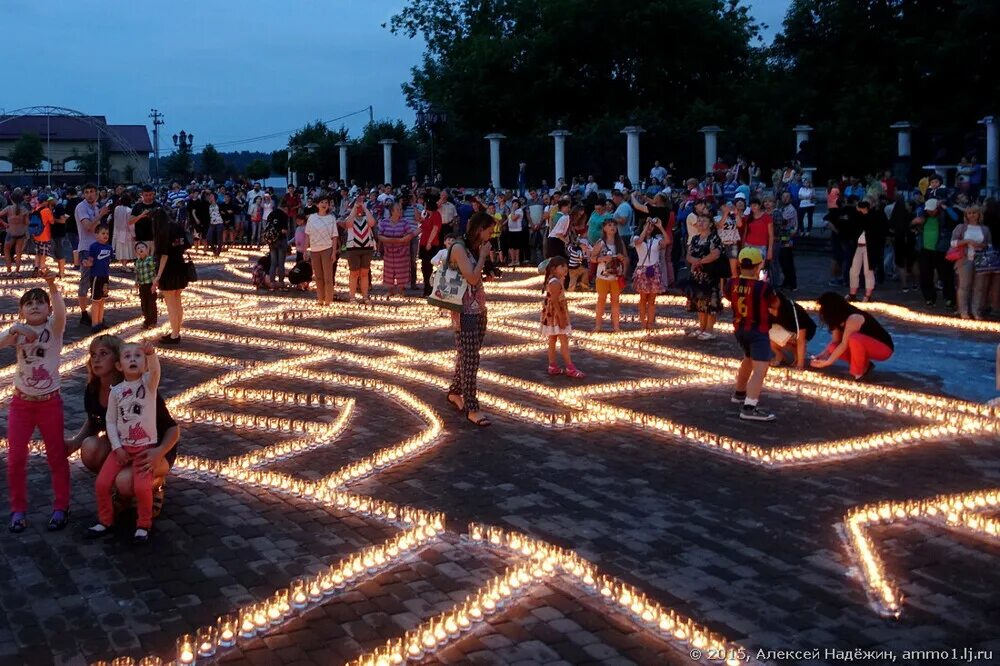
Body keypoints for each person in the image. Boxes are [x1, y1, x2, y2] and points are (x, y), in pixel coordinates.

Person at [66, 335, 179, 528]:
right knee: (90, 448)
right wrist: (74, 443)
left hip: (154, 450)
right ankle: (120, 494)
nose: (96, 359)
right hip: (124, 448)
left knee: (125, 482)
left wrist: (158, 453)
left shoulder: (143, 390)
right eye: (93, 354)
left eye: (103, 354)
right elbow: (96, 421)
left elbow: (173, 429)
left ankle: (156, 484)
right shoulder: (95, 390)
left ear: (117, 361)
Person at [2, 273, 71, 532]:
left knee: (56, 456)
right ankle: (18, 510)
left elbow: (62, 312)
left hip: (49, 403)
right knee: (16, 458)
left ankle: (61, 506)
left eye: (39, 302)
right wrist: (13, 330)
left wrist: (53, 286)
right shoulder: (18, 333)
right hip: (21, 404)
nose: (34, 306)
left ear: (48, 309)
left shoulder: (54, 329)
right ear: (21, 310)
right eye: (29, 303)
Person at [88, 343, 162, 544]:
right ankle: (105, 520)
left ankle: (143, 524)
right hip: (122, 448)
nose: (132, 359)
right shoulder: (116, 391)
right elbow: (111, 421)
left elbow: (156, 371)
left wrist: (152, 354)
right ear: (119, 366)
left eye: (138, 356)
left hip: (144, 448)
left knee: (141, 487)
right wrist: (117, 447)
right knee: (102, 483)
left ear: (144, 365)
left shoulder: (148, 386)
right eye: (127, 356)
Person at [445, 212, 494, 427]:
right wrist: (483, 256)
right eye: (489, 231)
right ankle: (472, 407)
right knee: (471, 358)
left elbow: (476, 278)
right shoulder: (458, 248)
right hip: (464, 310)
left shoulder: (473, 247)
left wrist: (486, 269)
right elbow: (471, 277)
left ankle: (455, 391)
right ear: (479, 229)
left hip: (478, 307)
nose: (491, 235)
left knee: (468, 354)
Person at [724, 248, 778, 421]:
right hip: (758, 330)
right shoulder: (763, 287)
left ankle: (740, 393)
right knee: (760, 369)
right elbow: (775, 304)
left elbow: (728, 297)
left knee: (748, 358)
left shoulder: (730, 283)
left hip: (740, 328)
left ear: (740, 264)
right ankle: (749, 407)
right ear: (758, 266)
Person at [811, 292, 894, 380]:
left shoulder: (854, 317)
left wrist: (828, 362)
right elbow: (835, 341)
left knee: (854, 339)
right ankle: (865, 365)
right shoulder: (835, 319)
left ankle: (858, 373)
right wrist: (822, 355)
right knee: (833, 347)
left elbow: (844, 344)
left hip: (883, 348)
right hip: (863, 345)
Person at [540, 257, 585, 377]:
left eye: (566, 266)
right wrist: (561, 318)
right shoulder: (555, 282)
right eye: (562, 266)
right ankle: (570, 367)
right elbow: (554, 301)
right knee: (563, 340)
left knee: (553, 339)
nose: (565, 268)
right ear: (554, 269)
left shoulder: (556, 280)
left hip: (552, 314)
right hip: (555, 314)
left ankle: (552, 365)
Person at [152, 209, 191, 345]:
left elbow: (164, 255)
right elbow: (186, 245)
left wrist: (158, 276)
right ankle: (176, 331)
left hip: (169, 270)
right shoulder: (177, 227)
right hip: (180, 266)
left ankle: (174, 335)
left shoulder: (163, 231)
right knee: (177, 301)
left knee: (171, 305)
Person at [76, 184, 113, 327]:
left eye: (92, 192)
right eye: (86, 192)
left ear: (96, 193)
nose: (89, 194)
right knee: (85, 280)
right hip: (86, 248)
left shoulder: (96, 207)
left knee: (98, 282)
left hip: (98, 248)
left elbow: (98, 227)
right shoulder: (81, 207)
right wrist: (101, 214)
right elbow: (88, 227)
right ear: (83, 194)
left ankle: (97, 316)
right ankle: (84, 314)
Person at [950, 205, 995, 319]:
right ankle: (963, 311)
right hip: (965, 259)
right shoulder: (961, 227)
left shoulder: (985, 229)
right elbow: (953, 243)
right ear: (966, 215)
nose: (972, 215)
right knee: (964, 286)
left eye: (974, 213)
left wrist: (981, 245)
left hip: (981, 260)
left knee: (979, 287)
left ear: (979, 214)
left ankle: (976, 311)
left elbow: (989, 245)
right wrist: (967, 241)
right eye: (969, 213)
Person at [912, 198, 956, 307]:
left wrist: (944, 207)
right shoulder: (923, 216)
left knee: (946, 275)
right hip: (925, 250)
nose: (930, 212)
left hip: (941, 250)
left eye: (932, 210)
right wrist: (913, 222)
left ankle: (949, 298)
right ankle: (929, 298)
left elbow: (955, 218)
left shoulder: (943, 217)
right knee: (925, 275)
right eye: (928, 210)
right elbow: (912, 225)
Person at [686, 215, 724, 340]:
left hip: (710, 275)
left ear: (711, 224)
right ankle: (701, 327)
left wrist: (699, 262)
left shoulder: (714, 238)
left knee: (710, 302)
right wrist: (695, 262)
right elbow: (688, 255)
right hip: (697, 275)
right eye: (700, 221)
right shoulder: (695, 238)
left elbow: (715, 254)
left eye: (704, 221)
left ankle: (709, 330)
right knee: (699, 301)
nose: (701, 223)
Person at [591, 218, 627, 332]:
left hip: (616, 277)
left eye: (614, 225)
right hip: (602, 276)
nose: (613, 228)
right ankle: (598, 326)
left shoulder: (619, 242)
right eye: (610, 225)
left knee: (615, 301)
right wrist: (603, 259)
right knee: (601, 300)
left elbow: (626, 259)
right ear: (604, 228)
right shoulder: (600, 242)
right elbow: (592, 258)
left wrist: (622, 258)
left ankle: (616, 326)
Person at [341, 195, 378, 304]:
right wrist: (354, 208)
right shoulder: (349, 218)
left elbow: (372, 223)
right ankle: (352, 297)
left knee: (364, 273)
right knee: (354, 273)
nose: (359, 209)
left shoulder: (367, 218)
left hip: (367, 247)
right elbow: (348, 224)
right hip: (353, 248)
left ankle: (365, 296)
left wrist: (365, 208)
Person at [632, 216, 667, 330]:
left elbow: (667, 242)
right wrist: (646, 226)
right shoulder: (636, 237)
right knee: (643, 298)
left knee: (652, 299)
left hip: (654, 269)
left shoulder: (656, 240)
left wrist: (660, 227)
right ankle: (642, 322)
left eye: (652, 226)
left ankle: (650, 322)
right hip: (642, 269)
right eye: (647, 225)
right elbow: (639, 241)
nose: (650, 228)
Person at [768, 291, 816, 369]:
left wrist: (800, 365)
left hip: (803, 332)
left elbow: (801, 339)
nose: (770, 311)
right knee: (763, 333)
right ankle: (780, 354)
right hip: (784, 329)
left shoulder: (793, 311)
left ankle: (797, 354)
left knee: (770, 334)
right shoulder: (768, 308)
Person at [305, 194, 338, 305]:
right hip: (314, 250)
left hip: (327, 249)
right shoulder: (312, 218)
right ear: (317, 204)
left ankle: (328, 299)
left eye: (326, 203)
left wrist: (333, 252)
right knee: (318, 276)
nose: (324, 205)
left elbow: (334, 236)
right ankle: (320, 298)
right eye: (322, 202)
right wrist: (305, 250)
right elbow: (307, 234)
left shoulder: (331, 218)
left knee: (328, 276)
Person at [379, 201, 417, 298]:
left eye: (400, 209)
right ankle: (390, 290)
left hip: (402, 252)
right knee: (389, 271)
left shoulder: (405, 222)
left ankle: (401, 290)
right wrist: (388, 240)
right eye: (397, 209)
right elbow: (379, 235)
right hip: (389, 251)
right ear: (392, 211)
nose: (400, 211)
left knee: (402, 271)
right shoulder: (384, 222)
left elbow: (410, 234)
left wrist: (402, 240)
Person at [85, 225, 114, 333]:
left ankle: (100, 322)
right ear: (96, 235)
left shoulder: (109, 248)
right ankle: (94, 324)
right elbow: (90, 260)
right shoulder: (94, 247)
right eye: (103, 233)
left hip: (105, 276)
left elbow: (109, 261)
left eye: (107, 233)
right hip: (96, 276)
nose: (105, 235)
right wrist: (87, 263)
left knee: (102, 300)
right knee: (96, 300)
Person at [888, 196, 916, 292]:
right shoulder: (910, 215)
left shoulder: (894, 216)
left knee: (901, 263)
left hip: (899, 240)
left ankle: (904, 285)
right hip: (910, 240)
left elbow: (890, 229)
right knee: (911, 263)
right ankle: (914, 283)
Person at [1, 189, 30, 273]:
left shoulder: (8, 208)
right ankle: (17, 271)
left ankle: (9, 270)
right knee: (18, 253)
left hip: (10, 233)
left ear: (11, 199)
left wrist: (4, 223)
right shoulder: (24, 210)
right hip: (21, 233)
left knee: (6, 251)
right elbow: (27, 222)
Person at [419, 197, 443, 296]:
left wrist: (429, 242)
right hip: (424, 244)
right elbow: (422, 228)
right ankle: (427, 289)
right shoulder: (428, 216)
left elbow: (435, 229)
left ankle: (430, 289)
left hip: (431, 245)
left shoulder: (436, 215)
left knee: (428, 267)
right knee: (425, 268)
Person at [128, 185, 161, 257]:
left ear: (153, 194)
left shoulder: (158, 205)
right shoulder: (137, 206)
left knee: (154, 261)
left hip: (155, 237)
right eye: (146, 195)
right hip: (141, 238)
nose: (148, 197)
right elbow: (130, 222)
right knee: (142, 262)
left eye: (150, 195)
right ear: (142, 194)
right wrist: (140, 216)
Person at [134, 242, 157, 330]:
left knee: (151, 303)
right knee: (144, 304)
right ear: (136, 252)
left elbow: (154, 271)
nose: (141, 249)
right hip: (142, 286)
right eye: (138, 248)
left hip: (150, 285)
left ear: (147, 250)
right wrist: (136, 282)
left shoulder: (150, 260)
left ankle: (153, 321)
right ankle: (146, 320)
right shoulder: (137, 262)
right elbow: (137, 273)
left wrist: (155, 283)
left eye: (143, 247)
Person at [32, 194, 55, 274]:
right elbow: (52, 222)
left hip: (36, 235)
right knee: (43, 254)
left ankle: (36, 267)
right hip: (45, 235)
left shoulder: (35, 209)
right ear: (45, 201)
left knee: (37, 253)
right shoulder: (47, 210)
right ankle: (42, 268)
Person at [112, 192, 135, 266]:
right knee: (126, 250)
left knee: (121, 249)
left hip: (118, 231)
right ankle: (124, 265)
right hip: (126, 232)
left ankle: (123, 264)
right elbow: (130, 224)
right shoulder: (129, 210)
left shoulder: (117, 208)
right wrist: (134, 234)